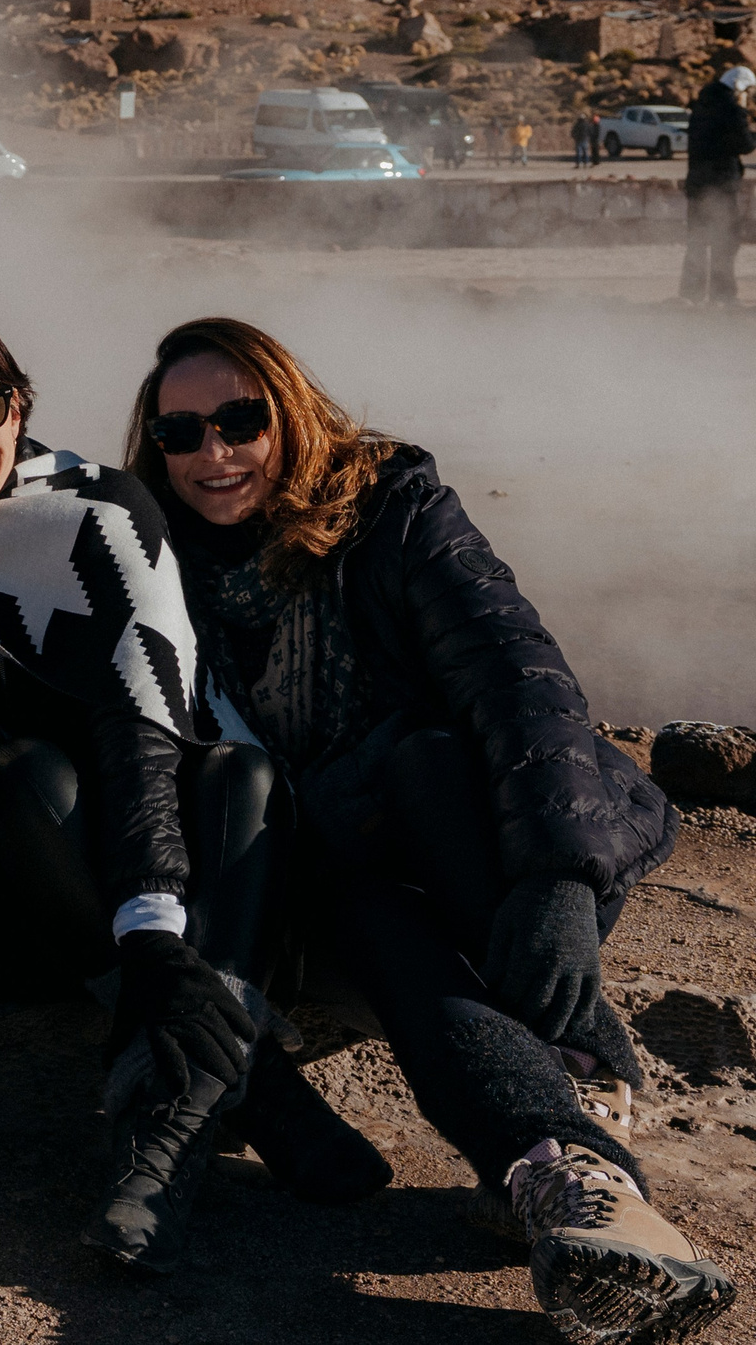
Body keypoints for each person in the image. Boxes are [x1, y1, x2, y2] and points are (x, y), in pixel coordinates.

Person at [126, 318, 731, 1344]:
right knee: (368, 912)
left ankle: (558, 1156)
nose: (212, 453)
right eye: (180, 433)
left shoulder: (392, 508)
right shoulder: (148, 565)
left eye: (239, 419)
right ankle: (572, 1156)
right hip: (331, 887)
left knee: (427, 758)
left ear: (293, 413)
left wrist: (558, 882)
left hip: (484, 845)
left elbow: (518, 678)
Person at [0, 301, 340, 1279]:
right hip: (26, 877)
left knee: (244, 772)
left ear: (18, 401)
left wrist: (152, 925)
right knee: (21, 774)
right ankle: (248, 1076)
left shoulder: (98, 511)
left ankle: (174, 1121)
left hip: (152, 832)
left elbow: (146, 727)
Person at [682, 65, 755, 304]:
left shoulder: (701, 106)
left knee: (697, 240)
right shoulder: (732, 110)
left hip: (697, 183)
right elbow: (744, 144)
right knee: (725, 240)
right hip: (721, 185)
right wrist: (745, 116)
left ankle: (691, 293)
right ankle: (722, 294)